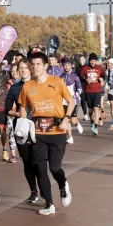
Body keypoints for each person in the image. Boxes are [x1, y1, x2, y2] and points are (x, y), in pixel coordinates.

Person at [17, 51, 74, 215]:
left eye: (38, 64)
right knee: (40, 168)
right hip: (38, 133)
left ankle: (63, 185)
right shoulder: (27, 87)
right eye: (32, 65)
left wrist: (67, 117)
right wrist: (22, 123)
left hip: (57, 131)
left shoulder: (56, 82)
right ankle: (49, 203)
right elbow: (22, 107)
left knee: (55, 168)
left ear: (46, 66)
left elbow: (71, 101)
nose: (34, 67)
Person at [6, 58, 38, 203]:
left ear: (30, 69)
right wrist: (18, 114)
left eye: (26, 67)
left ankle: (44, 189)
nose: (23, 70)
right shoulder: (14, 88)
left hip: (38, 126)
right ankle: (33, 191)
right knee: (27, 161)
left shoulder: (38, 85)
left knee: (39, 161)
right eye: (21, 68)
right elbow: (7, 109)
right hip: (21, 128)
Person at [79, 53, 106, 135]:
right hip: (88, 91)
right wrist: (86, 79)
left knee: (96, 108)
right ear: (89, 61)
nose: (93, 62)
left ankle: (96, 127)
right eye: (91, 61)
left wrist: (102, 80)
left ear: (96, 61)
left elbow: (104, 76)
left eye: (94, 61)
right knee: (90, 110)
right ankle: (92, 121)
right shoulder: (85, 68)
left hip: (97, 91)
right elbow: (80, 77)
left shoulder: (100, 68)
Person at [60, 58, 83, 143]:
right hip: (63, 101)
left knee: (72, 119)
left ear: (71, 66)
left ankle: (77, 124)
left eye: (68, 65)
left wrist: (75, 96)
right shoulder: (61, 77)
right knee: (66, 118)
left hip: (73, 101)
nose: (66, 67)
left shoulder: (75, 76)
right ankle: (70, 137)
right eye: (65, 65)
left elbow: (80, 89)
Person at [104, 58, 113, 130]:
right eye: (107, 63)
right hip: (111, 91)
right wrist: (106, 87)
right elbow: (106, 80)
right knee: (112, 107)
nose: (108, 64)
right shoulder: (107, 72)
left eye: (109, 63)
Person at [74, 54, 90, 121]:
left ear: (85, 60)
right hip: (80, 85)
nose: (81, 61)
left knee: (86, 101)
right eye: (80, 59)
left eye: (82, 59)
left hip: (87, 85)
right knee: (80, 100)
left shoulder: (87, 67)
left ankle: (88, 114)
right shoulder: (77, 67)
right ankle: (82, 114)